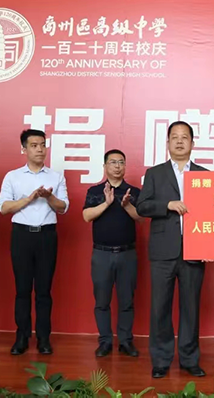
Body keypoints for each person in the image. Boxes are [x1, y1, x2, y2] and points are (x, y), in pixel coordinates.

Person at [137, 121, 209, 379]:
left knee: (191, 308)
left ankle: (190, 359)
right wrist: (167, 204)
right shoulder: (155, 173)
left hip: (194, 251)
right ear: (167, 143)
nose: (179, 141)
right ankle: (161, 359)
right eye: (174, 137)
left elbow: (213, 215)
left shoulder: (204, 175)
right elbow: (142, 207)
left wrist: (210, 245)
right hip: (162, 252)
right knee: (160, 308)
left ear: (192, 143)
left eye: (184, 137)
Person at [0, 129, 69, 355]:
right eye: (34, 145)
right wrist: (29, 198)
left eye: (42, 145)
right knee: (22, 289)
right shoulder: (13, 176)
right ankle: (22, 336)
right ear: (24, 149)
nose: (40, 149)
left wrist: (48, 197)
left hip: (47, 236)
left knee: (44, 290)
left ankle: (43, 338)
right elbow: (3, 207)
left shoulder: (56, 176)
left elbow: (63, 207)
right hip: (22, 236)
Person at [82, 149, 142, 358]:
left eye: (121, 162)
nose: (117, 166)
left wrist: (127, 205)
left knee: (127, 301)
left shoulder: (133, 192)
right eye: (113, 162)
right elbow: (86, 216)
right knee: (102, 301)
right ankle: (105, 341)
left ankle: (125, 341)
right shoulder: (95, 190)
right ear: (105, 166)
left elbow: (141, 218)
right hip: (102, 254)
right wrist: (106, 203)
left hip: (127, 254)